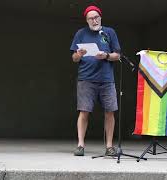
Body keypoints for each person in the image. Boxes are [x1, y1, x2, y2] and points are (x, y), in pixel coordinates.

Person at [70, 5, 121, 156]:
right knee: (84, 111)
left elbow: (117, 56)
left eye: (96, 17)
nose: (94, 20)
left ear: (100, 17)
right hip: (86, 79)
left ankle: (109, 147)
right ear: (86, 20)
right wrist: (79, 54)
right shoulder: (80, 33)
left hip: (107, 79)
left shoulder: (109, 32)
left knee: (110, 111)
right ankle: (80, 145)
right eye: (91, 18)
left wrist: (105, 55)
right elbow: (74, 58)